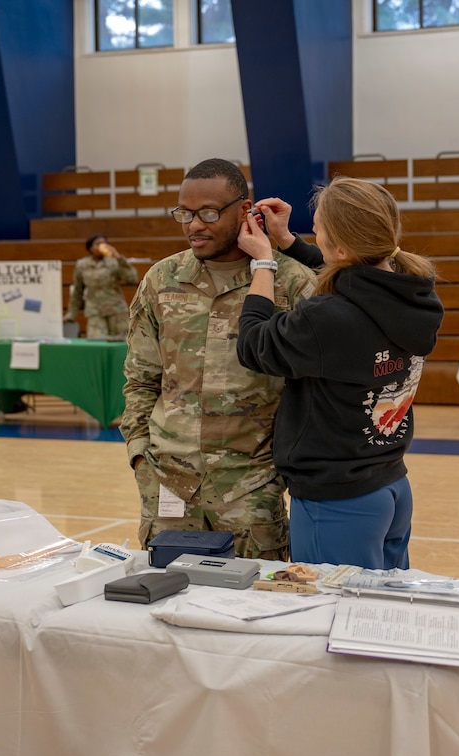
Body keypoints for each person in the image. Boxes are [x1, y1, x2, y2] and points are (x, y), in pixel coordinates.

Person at [236, 177, 445, 569]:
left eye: (319, 230)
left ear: (343, 247)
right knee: (379, 616)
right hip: (390, 484)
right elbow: (359, 280)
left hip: (337, 499)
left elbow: (253, 345)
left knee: (332, 615)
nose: (313, 232)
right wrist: (287, 242)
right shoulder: (417, 291)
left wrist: (263, 263)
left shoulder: (326, 319)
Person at [121, 158, 316, 560]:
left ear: (244, 210)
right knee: (165, 605)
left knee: (252, 610)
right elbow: (140, 378)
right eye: (184, 214)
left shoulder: (291, 281)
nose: (194, 225)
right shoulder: (162, 279)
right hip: (168, 484)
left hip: (251, 489)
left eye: (208, 213)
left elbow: (318, 381)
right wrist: (140, 454)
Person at [64, 234, 139, 338]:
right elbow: (77, 291)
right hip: (95, 311)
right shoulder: (82, 265)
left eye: (104, 243)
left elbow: (132, 278)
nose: (102, 246)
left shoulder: (114, 261)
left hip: (116, 310)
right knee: (96, 342)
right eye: (97, 244)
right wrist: (71, 314)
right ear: (90, 248)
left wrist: (119, 258)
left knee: (122, 342)